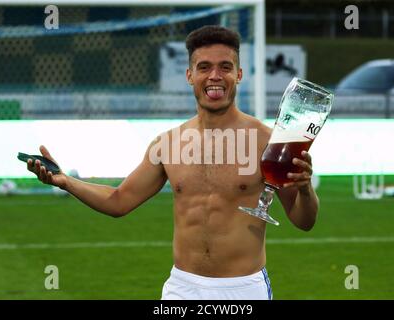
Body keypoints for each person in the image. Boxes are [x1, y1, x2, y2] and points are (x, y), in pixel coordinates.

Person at [26, 25, 319, 300]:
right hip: (182, 288)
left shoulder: (269, 141)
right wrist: (65, 181)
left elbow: (303, 220)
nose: (215, 76)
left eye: (225, 67)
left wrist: (306, 190)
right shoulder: (167, 144)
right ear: (190, 75)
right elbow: (118, 201)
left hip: (243, 289)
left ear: (239, 74)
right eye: (204, 67)